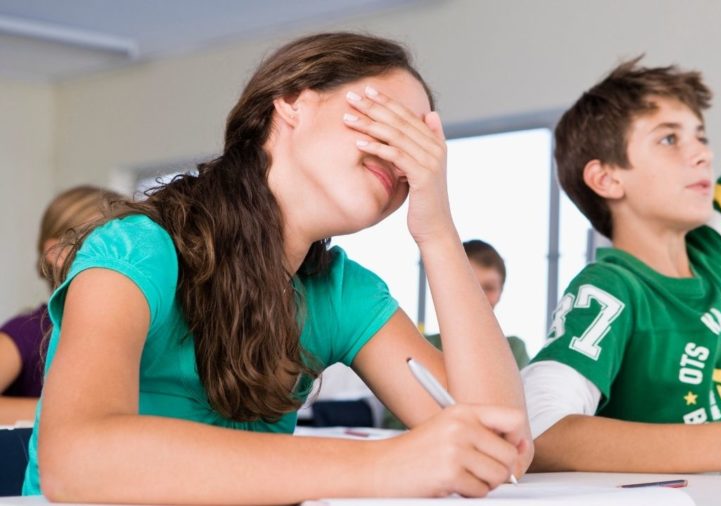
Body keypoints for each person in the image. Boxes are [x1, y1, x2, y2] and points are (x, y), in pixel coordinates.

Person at [24, 32, 531, 503]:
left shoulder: (338, 291)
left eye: (421, 147)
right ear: (293, 101)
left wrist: (438, 230)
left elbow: (498, 445)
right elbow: (76, 459)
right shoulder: (137, 249)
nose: (404, 159)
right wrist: (384, 463)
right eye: (388, 121)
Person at [524, 0, 721, 474]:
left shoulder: (719, 250)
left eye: (700, 136)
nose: (701, 154)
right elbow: (539, 433)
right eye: (669, 139)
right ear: (608, 179)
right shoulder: (611, 289)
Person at [0, 185, 120, 425]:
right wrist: (79, 413)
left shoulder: (117, 333)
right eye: (103, 245)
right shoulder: (27, 331)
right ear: (56, 253)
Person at [382, 239, 530, 429]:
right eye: (471, 285)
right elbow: (393, 421)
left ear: (500, 292)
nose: (479, 297)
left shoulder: (514, 348)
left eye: (489, 288)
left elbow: (519, 419)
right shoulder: (420, 344)